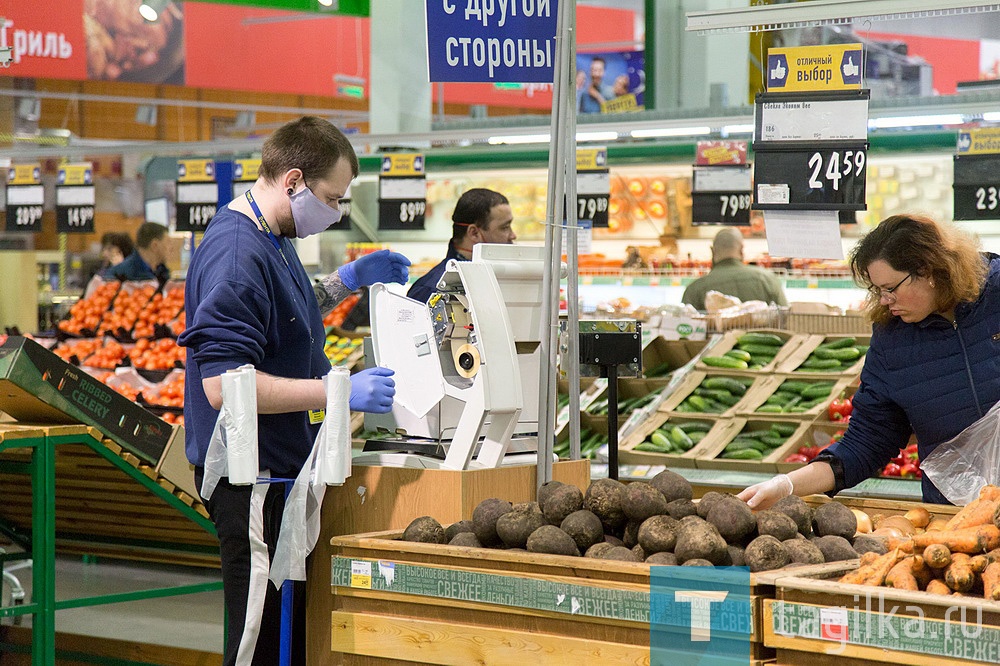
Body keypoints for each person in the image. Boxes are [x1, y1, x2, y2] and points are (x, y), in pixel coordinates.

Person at [177, 116, 410, 666]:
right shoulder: (237, 255)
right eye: (333, 198)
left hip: (280, 471)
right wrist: (337, 392)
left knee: (285, 634)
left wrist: (345, 282)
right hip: (250, 477)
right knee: (257, 638)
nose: (336, 212)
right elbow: (222, 385)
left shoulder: (271, 234)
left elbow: (284, 318)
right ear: (295, 181)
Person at [739, 214, 1000, 509]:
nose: (885, 301)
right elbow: (867, 439)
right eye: (877, 291)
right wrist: (786, 485)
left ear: (927, 270)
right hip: (957, 516)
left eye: (890, 288)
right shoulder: (892, 340)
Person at [407, 188, 515, 303]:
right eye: (505, 227)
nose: (513, 235)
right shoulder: (431, 292)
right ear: (474, 233)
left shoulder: (505, 279)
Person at [681, 227, 787, 310]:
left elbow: (685, 329)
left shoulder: (694, 289)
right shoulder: (767, 279)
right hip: (761, 337)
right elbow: (784, 317)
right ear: (741, 250)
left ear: (713, 251)